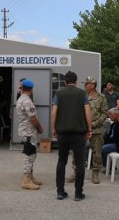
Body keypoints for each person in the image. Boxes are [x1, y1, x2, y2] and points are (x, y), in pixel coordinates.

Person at [51, 71, 92, 202]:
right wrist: (89, 129)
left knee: (61, 161)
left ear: (65, 82)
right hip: (79, 133)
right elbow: (87, 112)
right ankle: (78, 194)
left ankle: (60, 192)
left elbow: (53, 113)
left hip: (62, 132)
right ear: (76, 80)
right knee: (80, 163)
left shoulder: (59, 93)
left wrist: (54, 129)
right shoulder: (82, 93)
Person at [16, 78, 43, 190]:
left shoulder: (21, 98)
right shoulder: (27, 101)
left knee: (31, 153)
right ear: (31, 89)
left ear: (22, 88)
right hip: (28, 132)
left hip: (26, 131)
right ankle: (26, 180)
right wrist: (40, 128)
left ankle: (30, 177)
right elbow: (32, 118)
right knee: (30, 155)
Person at [85, 76, 107, 184]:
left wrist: (93, 124)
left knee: (97, 153)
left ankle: (95, 174)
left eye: (87, 84)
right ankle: (76, 172)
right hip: (82, 129)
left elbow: (104, 114)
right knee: (77, 151)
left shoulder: (101, 98)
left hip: (96, 129)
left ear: (93, 85)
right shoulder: (82, 96)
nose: (85, 85)